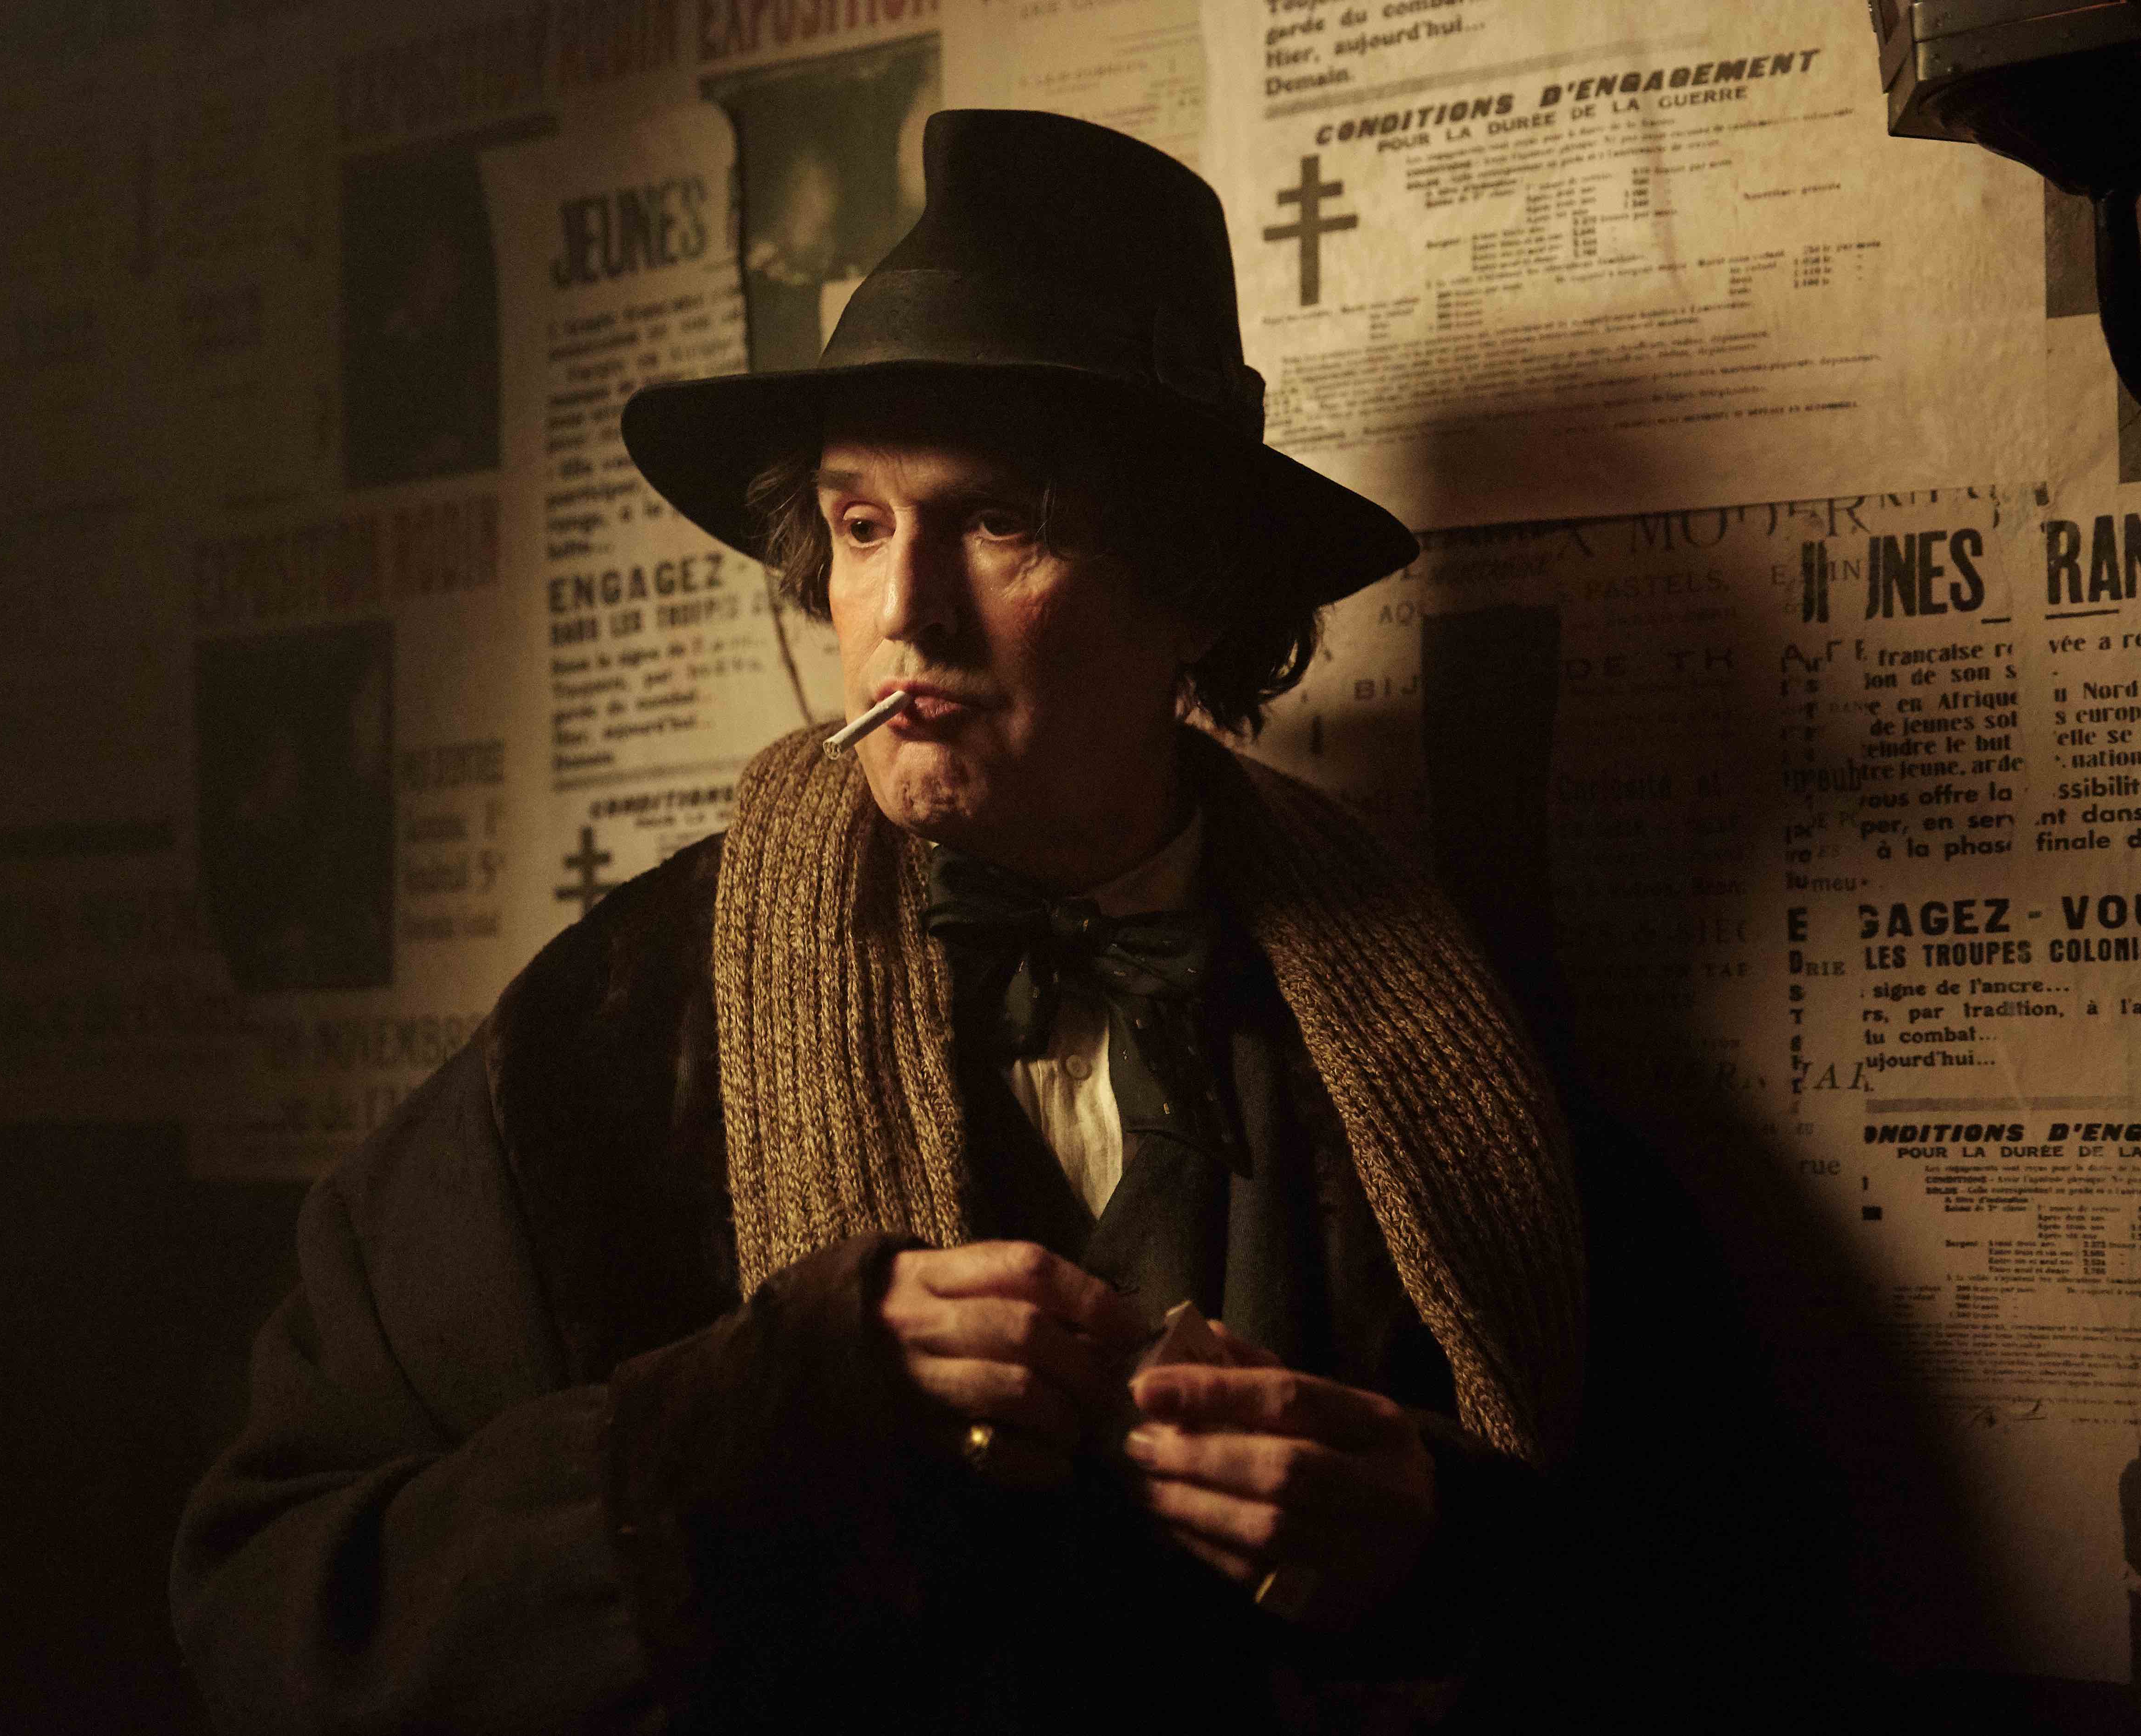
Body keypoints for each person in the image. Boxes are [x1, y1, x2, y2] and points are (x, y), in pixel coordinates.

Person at [174, 110, 1817, 1733]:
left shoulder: (1443, 1044)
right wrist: (742, 1439)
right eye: (859, 525)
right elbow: (274, 1600)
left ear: (1193, 587)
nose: (904, 612)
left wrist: (1437, 1551)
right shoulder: (605, 1042)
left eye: (999, 521)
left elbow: (1723, 1602)